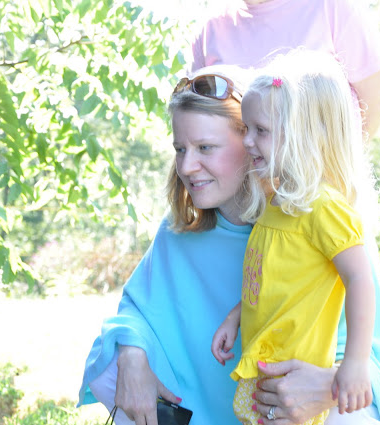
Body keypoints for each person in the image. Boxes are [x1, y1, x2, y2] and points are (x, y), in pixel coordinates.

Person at [78, 67, 343, 425]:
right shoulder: (179, 231)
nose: (187, 166)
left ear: (252, 141)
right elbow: (135, 311)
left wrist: (324, 387)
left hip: (290, 410)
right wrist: (132, 354)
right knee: (123, 368)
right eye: (180, 149)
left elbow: (369, 357)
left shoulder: (313, 222)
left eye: (205, 147)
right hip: (198, 409)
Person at [211, 53, 377, 425]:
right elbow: (273, 282)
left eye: (261, 130)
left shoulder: (323, 207)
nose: (247, 141)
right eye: (246, 128)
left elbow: (360, 279)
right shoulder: (277, 202)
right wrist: (235, 318)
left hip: (297, 376)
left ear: (304, 134)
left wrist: (355, 363)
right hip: (268, 370)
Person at [191, 0, 380, 142]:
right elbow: (192, 112)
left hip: (317, 184)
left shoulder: (331, 6)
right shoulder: (210, 26)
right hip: (238, 189)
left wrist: (338, 168)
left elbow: (377, 94)